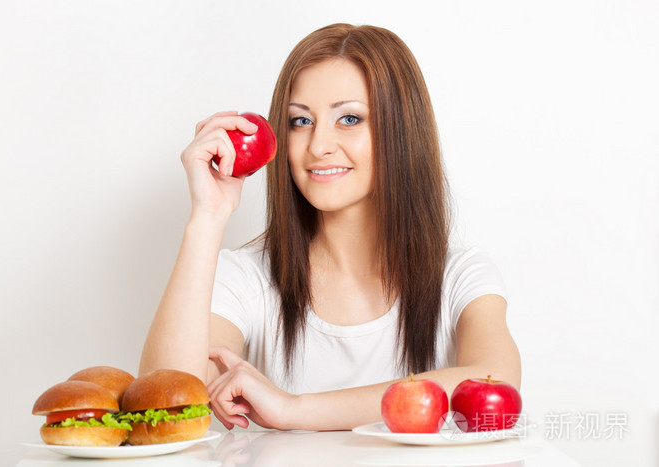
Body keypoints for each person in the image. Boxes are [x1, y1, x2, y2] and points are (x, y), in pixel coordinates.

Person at [139, 23, 521, 431]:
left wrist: (294, 409)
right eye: (300, 122)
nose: (318, 145)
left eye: (349, 118)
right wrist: (208, 217)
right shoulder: (246, 277)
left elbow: (494, 383)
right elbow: (164, 405)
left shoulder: (460, 276)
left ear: (401, 132)